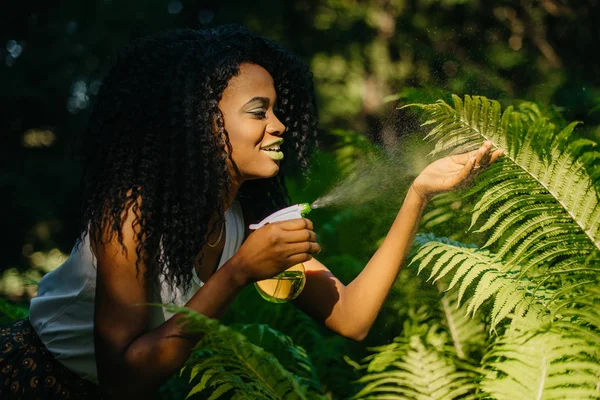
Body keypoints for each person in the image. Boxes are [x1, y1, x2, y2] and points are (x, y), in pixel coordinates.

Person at [0, 25, 502, 399]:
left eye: (279, 109)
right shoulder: (133, 212)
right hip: (28, 380)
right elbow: (124, 377)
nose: (280, 125)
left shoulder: (246, 222)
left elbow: (351, 317)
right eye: (260, 111)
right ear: (200, 124)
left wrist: (417, 193)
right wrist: (239, 272)